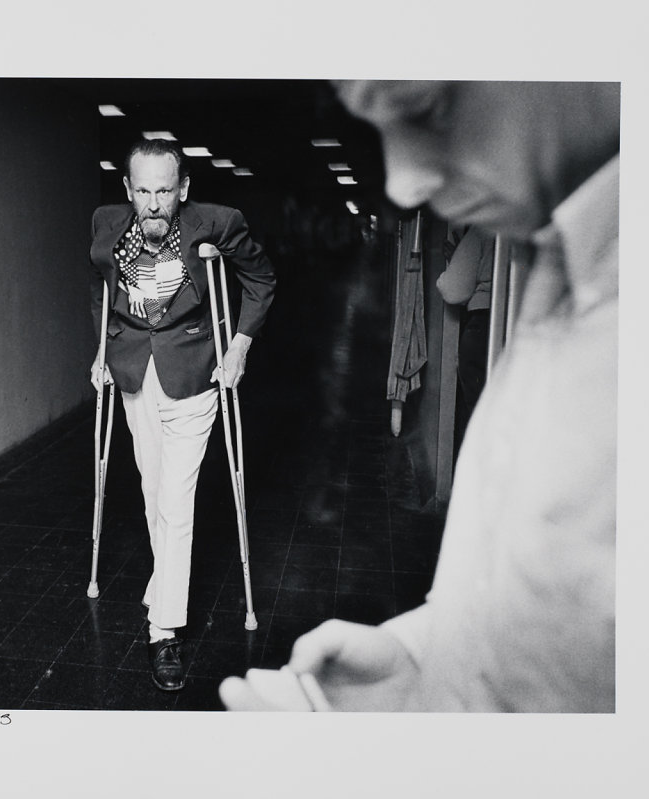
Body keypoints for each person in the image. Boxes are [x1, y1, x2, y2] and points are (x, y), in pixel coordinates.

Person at [220, 80, 619, 712]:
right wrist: (421, 658)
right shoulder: (557, 264)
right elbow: (559, 621)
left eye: (430, 109)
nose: (404, 184)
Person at [89, 139, 275, 691]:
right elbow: (101, 290)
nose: (152, 202)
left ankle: (163, 628)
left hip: (195, 374)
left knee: (176, 501)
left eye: (164, 191)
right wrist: (101, 349)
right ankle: (162, 584)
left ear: (183, 189)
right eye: (142, 190)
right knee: (152, 492)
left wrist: (238, 347)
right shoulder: (105, 226)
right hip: (134, 373)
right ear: (128, 191)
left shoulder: (219, 222)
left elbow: (261, 281)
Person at [437, 224, 495, 430]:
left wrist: (458, 263)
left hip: (481, 323)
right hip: (518, 324)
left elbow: (453, 290)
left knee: (478, 411)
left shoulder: (483, 228)